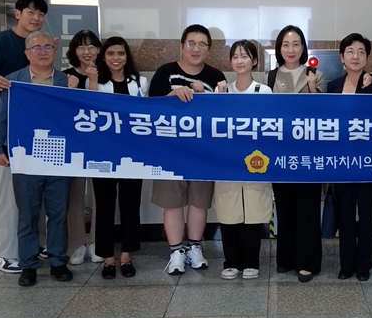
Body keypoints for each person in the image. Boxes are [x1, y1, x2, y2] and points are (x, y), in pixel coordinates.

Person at [0, 31, 72, 287]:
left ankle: (58, 261)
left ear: (55, 52)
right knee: (28, 214)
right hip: (25, 157)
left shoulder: (66, 81)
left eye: (48, 47)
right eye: (37, 48)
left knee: (58, 213)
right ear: (27, 53)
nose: (43, 51)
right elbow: (1, 117)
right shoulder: (14, 81)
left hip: (59, 158)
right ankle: (29, 265)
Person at [0, 0, 49, 273]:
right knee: (8, 195)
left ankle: (34, 246)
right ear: (17, 14)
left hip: (37, 130)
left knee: (36, 193)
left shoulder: (43, 43)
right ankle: (5, 253)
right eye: (31, 12)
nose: (36, 18)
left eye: (40, 14)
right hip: (7, 129)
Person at [148, 24, 226, 275]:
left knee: (199, 202)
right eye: (191, 43)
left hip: (203, 152)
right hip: (170, 150)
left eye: (202, 44)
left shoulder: (216, 76)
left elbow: (222, 114)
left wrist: (214, 94)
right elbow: (149, 109)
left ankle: (194, 247)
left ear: (208, 49)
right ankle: (176, 251)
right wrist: (172, 94)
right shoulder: (165, 73)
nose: (196, 49)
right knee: (172, 203)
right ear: (181, 46)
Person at [267, 25, 326, 283]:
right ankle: (286, 258)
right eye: (286, 44)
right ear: (279, 48)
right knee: (284, 204)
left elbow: (325, 114)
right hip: (280, 152)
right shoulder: (270, 77)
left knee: (307, 206)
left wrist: (313, 89)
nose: (291, 49)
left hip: (308, 153)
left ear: (303, 47)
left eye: (296, 44)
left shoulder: (316, 75)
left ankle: (307, 261)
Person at [327, 33, 372, 281]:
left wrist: (367, 91)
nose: (355, 56)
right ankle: (346, 264)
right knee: (346, 214)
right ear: (342, 57)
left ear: (367, 57)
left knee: (367, 214)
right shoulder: (333, 86)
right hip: (342, 161)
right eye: (350, 51)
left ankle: (363, 265)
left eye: (361, 51)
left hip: (368, 161)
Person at [88, 36, 148, 279]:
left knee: (130, 206)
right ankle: (107, 259)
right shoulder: (96, 82)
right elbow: (89, 109)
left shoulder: (140, 82)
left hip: (133, 154)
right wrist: (92, 81)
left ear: (126, 56)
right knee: (104, 206)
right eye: (111, 53)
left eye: (120, 53)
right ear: (103, 57)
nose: (116, 58)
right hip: (102, 154)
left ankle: (126, 256)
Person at [213, 40, 273, 280]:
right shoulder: (222, 91)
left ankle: (251, 262)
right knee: (229, 210)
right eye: (235, 56)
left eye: (245, 56)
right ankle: (231, 262)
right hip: (227, 161)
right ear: (230, 61)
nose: (240, 61)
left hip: (255, 161)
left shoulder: (263, 91)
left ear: (254, 61)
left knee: (253, 211)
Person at [62, 29, 103, 265]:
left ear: (98, 49)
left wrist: (93, 81)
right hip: (73, 144)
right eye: (81, 46)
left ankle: (98, 241)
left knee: (101, 195)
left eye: (91, 46)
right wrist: (71, 89)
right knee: (74, 194)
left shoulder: (107, 74)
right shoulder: (66, 77)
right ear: (73, 51)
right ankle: (76, 243)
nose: (86, 51)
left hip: (100, 144)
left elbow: (99, 107)